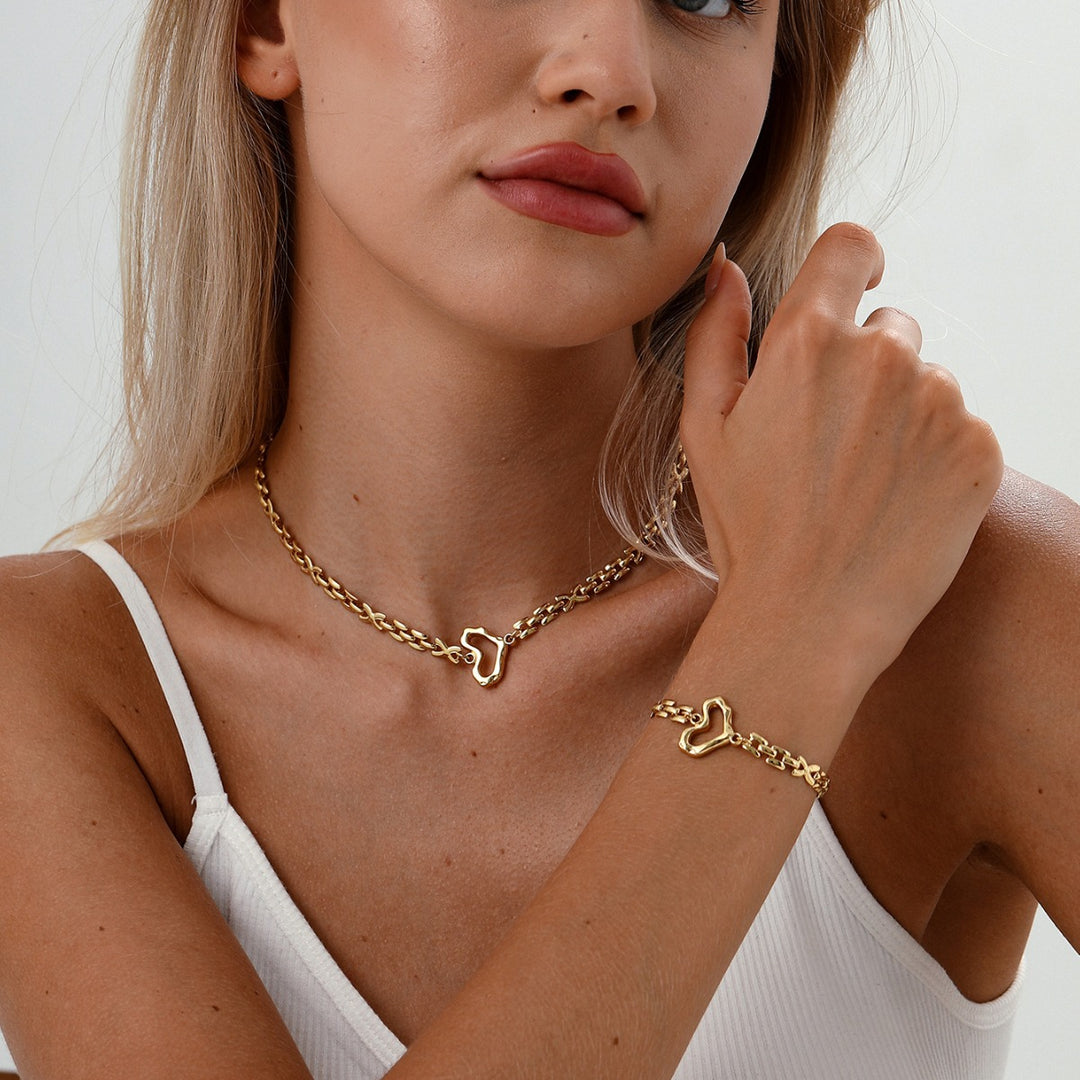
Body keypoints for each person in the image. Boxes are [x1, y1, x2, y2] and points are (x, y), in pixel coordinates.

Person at [0, 0, 1077, 1076]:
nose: (611, 73)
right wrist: (790, 639)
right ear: (267, 23)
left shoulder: (963, 602)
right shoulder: (55, 680)